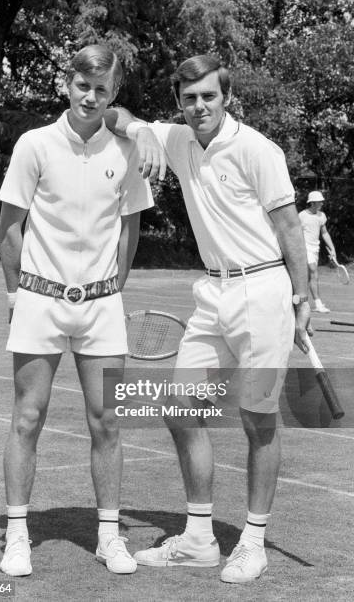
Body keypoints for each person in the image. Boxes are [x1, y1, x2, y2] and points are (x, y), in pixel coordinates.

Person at [105, 54, 311, 584]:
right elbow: (113, 113)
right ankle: (199, 539)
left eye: (209, 97)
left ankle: (253, 541)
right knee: (178, 406)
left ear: (226, 97)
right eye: (189, 97)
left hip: (264, 290)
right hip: (211, 294)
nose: (199, 106)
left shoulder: (257, 149)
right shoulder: (174, 138)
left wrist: (302, 296)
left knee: (257, 418)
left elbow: (288, 228)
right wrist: (141, 133)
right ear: (179, 100)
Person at [0, 45, 153, 577]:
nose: (91, 97)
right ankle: (17, 535)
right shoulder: (34, 143)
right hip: (40, 300)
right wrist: (17, 297)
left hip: (102, 306)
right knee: (27, 418)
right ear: (69, 83)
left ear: (114, 94)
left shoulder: (128, 150)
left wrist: (113, 289)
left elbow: (130, 229)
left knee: (108, 421)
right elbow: (10, 228)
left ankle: (110, 537)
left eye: (102, 90)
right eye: (83, 86)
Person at [299, 190, 336, 313]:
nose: (322, 203)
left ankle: (304, 302)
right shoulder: (301, 216)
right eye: (319, 202)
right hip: (304, 247)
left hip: (315, 248)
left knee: (311, 276)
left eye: (321, 201)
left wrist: (332, 248)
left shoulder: (321, 216)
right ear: (312, 203)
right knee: (314, 271)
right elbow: (295, 234)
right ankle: (318, 304)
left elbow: (324, 233)